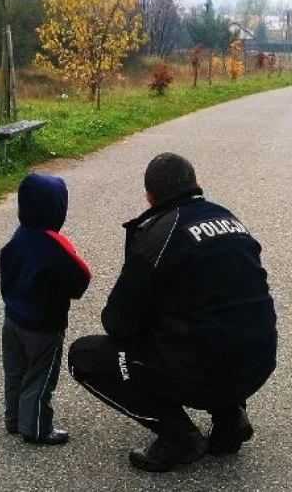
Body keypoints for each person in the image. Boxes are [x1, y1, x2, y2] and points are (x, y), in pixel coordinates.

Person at [68, 153, 277, 472]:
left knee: (84, 356)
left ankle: (178, 437)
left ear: (149, 198)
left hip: (204, 372)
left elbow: (117, 323)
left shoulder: (157, 234)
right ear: (198, 185)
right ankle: (230, 419)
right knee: (218, 320)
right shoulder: (229, 218)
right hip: (259, 363)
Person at [0, 173, 92, 445]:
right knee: (40, 377)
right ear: (57, 209)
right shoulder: (54, 244)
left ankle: (14, 419)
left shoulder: (17, 237)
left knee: (15, 372)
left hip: (13, 319)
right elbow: (80, 278)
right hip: (44, 327)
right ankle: (37, 428)